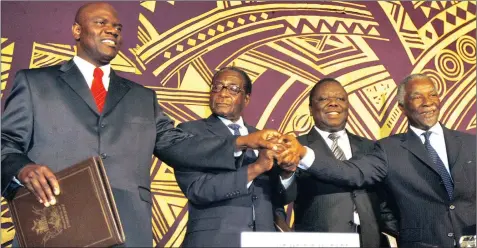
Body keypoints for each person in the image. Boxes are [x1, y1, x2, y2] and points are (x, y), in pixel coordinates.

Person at [0, 3, 286, 247]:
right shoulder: (35, 82)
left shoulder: (142, 97)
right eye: (101, 23)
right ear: (77, 31)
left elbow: (178, 145)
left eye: (118, 27)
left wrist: (241, 142)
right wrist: (23, 169)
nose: (112, 30)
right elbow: (5, 144)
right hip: (57, 222)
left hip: (128, 228)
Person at [282, 74, 476, 248]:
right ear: (402, 106)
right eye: (417, 96)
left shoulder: (471, 143)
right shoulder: (388, 149)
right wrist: (303, 154)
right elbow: (351, 172)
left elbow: (383, 203)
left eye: (433, 94)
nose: (427, 102)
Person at [174, 67, 290, 247]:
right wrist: (256, 168)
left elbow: (279, 200)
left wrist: (288, 172)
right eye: (217, 87)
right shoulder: (190, 133)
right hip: (215, 240)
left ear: (247, 98)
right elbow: (198, 190)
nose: (223, 94)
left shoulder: (264, 137)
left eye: (233, 89)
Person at [282, 78, 397, 247]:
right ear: (310, 108)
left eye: (340, 99)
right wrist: (286, 173)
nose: (333, 103)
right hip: (319, 242)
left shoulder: (370, 147)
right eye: (323, 99)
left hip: (370, 241)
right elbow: (283, 196)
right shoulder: (296, 147)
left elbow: (383, 201)